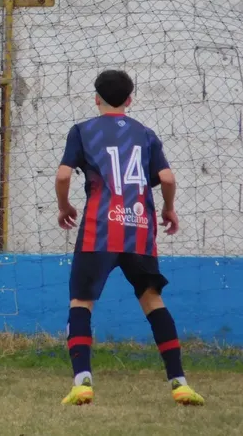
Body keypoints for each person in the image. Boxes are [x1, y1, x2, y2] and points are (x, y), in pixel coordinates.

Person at [56, 69, 204, 406]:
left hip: (99, 229)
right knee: (153, 300)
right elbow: (166, 177)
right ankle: (179, 382)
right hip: (139, 231)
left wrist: (64, 205)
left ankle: (83, 381)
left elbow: (63, 174)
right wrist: (168, 209)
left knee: (82, 302)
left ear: (96, 98)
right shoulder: (146, 134)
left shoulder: (82, 131)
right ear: (130, 99)